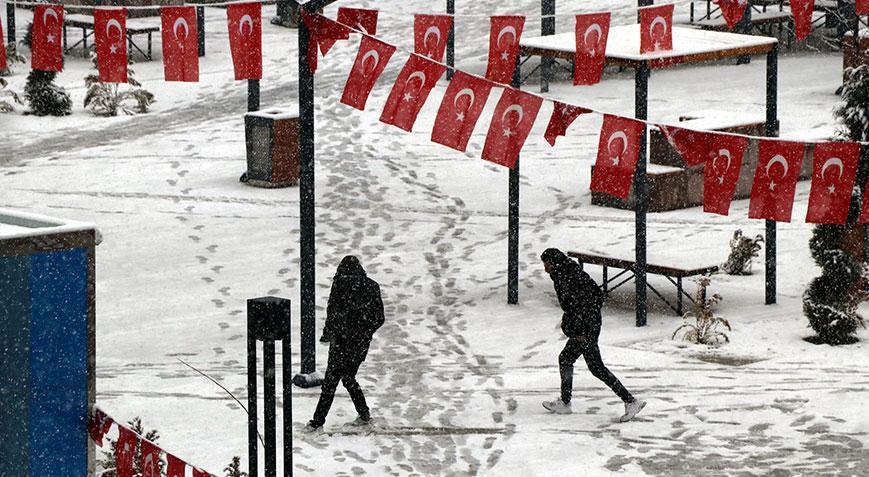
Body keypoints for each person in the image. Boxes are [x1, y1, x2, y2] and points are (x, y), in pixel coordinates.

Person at [539, 248, 645, 422]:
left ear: (553, 263)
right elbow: (595, 296)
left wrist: (580, 331)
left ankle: (630, 401)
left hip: (585, 327)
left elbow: (577, 305)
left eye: (546, 264)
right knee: (577, 361)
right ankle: (567, 402)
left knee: (584, 364)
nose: (545, 269)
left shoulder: (567, 276)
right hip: (589, 323)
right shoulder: (568, 272)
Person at [305, 255, 385, 432]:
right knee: (348, 377)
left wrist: (329, 334)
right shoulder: (372, 286)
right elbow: (379, 317)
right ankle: (364, 414)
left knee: (331, 382)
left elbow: (332, 312)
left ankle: (317, 423)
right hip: (360, 343)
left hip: (341, 341)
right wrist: (364, 332)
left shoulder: (340, 284)